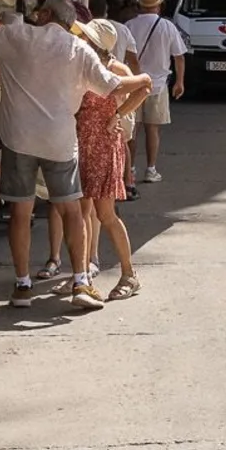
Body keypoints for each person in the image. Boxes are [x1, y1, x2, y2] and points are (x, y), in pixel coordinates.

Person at [0, 0, 119, 309]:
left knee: (20, 213)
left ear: (46, 15)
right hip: (60, 140)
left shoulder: (18, 36)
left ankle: (22, 285)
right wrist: (143, 80)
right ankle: (80, 281)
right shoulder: (79, 49)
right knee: (71, 211)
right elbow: (108, 86)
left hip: (19, 138)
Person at [75, 18, 153, 297]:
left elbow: (145, 87)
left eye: (86, 37)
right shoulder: (83, 65)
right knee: (82, 211)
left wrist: (118, 115)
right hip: (82, 142)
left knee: (105, 213)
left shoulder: (113, 69)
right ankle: (81, 276)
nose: (80, 39)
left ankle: (129, 274)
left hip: (103, 145)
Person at [120, 0, 184, 184]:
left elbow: (123, 54)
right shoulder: (167, 27)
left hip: (133, 84)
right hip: (157, 85)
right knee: (153, 129)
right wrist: (180, 82)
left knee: (132, 130)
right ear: (158, 6)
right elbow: (179, 57)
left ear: (140, 6)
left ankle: (130, 169)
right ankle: (151, 169)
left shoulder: (129, 25)